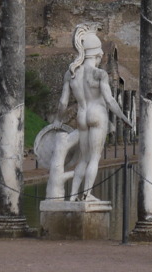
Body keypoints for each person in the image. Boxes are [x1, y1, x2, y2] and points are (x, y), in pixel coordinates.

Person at [52, 24, 134, 201]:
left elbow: (63, 102)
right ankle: (87, 195)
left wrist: (58, 120)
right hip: (97, 114)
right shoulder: (99, 74)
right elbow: (110, 100)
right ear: (97, 54)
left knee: (83, 159)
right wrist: (123, 118)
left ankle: (73, 196)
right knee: (94, 158)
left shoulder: (71, 73)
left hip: (82, 116)